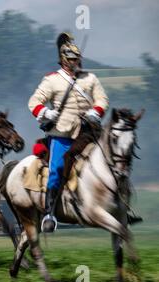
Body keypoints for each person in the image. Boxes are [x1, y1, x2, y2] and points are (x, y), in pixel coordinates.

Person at [28, 33, 109, 232]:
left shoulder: (90, 78)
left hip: (88, 133)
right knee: (56, 170)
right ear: (64, 60)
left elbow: (102, 100)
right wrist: (47, 112)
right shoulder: (52, 80)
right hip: (62, 135)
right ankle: (49, 214)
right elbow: (33, 102)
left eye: (77, 59)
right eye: (72, 59)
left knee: (111, 160)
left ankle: (119, 206)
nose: (76, 62)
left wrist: (94, 112)